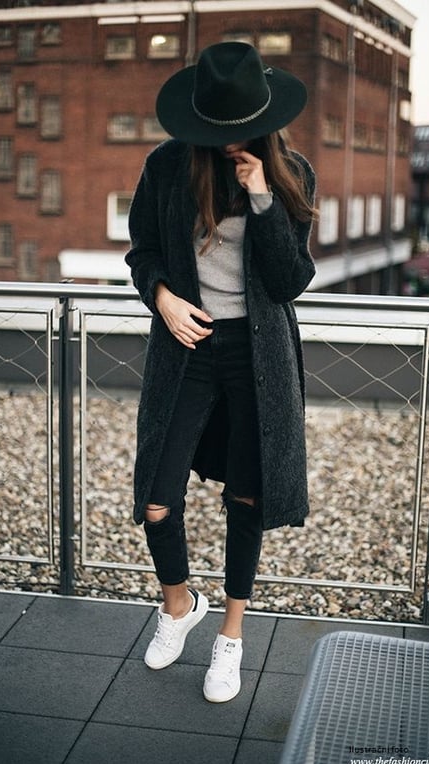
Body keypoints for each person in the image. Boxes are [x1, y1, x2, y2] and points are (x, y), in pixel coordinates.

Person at [125, 41, 316, 703]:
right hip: (186, 348)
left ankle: (230, 636)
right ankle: (178, 605)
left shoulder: (291, 173)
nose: (229, 141)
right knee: (155, 497)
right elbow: (143, 252)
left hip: (257, 356)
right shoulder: (167, 166)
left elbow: (289, 281)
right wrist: (163, 298)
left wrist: (261, 198)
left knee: (247, 499)